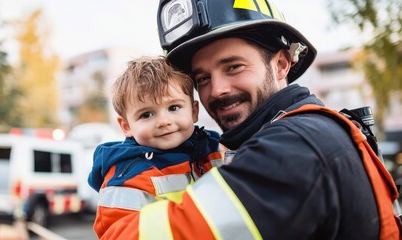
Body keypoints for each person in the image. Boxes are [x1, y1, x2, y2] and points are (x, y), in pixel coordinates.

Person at [98, 0, 401, 239]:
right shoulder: (311, 130)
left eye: (233, 67)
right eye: (202, 78)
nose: (217, 90)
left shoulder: (292, 148)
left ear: (281, 64)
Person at [87, 56, 222, 238]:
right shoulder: (127, 177)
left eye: (173, 107)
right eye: (147, 114)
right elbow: (116, 234)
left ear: (194, 111)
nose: (163, 121)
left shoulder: (214, 149)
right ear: (126, 126)